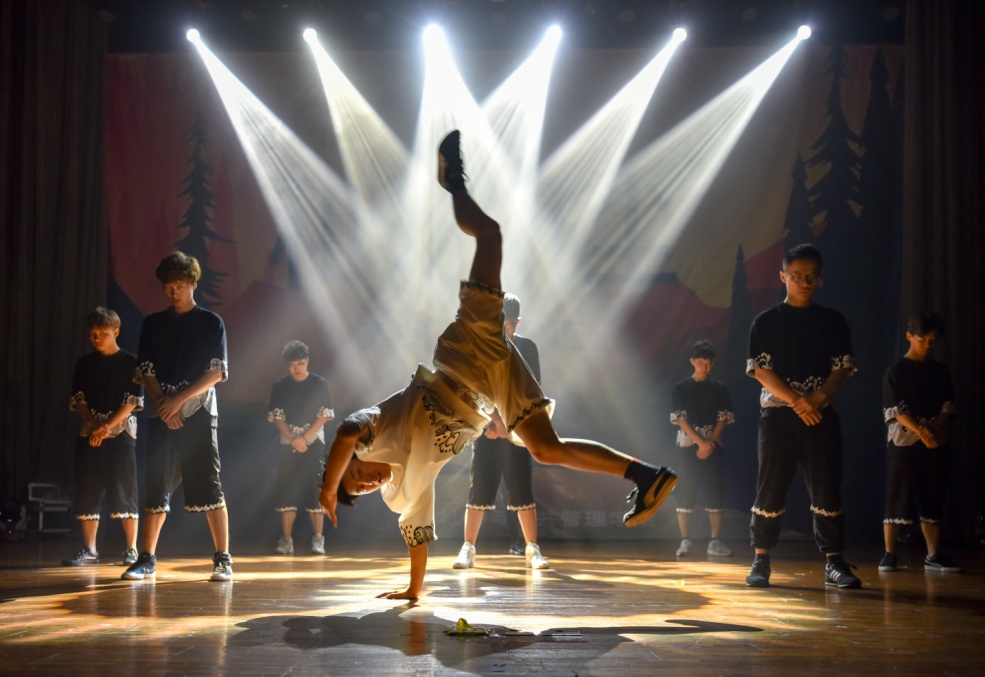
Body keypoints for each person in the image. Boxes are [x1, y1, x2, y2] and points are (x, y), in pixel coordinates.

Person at [319, 130, 677, 600]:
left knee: (490, 235)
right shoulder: (401, 494)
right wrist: (413, 591)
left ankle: (454, 182)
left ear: (352, 461)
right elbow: (417, 536)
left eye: (355, 474)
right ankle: (646, 475)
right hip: (490, 393)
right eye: (362, 490)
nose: (367, 482)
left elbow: (345, 430)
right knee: (545, 449)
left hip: (467, 353)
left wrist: (328, 488)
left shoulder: (373, 432)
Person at [745, 244, 860, 589]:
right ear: (783, 277)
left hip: (821, 414)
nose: (804, 282)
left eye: (810, 277)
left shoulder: (832, 321)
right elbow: (761, 371)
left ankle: (834, 561)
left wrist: (818, 398)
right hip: (779, 416)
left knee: (827, 486)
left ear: (819, 278)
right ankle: (761, 559)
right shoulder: (766, 322)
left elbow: (843, 367)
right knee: (770, 486)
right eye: (797, 276)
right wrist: (798, 401)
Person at [121, 251, 233, 582]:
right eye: (168, 285)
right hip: (162, 412)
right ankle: (146, 558)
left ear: (193, 284)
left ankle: (223, 559)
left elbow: (216, 372)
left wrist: (178, 401)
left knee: (209, 483)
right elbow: (146, 369)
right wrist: (162, 403)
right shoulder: (153, 323)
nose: (174, 291)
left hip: (198, 411)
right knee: (156, 483)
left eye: (180, 284)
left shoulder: (210, 322)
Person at [452, 293, 549, 570]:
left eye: (505, 325)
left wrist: (509, 427)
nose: (500, 331)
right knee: (479, 487)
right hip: (488, 428)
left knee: (521, 487)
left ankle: (532, 549)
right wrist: (494, 424)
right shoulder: (480, 349)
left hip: (517, 429)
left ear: (517, 323)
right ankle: (468, 548)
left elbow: (533, 392)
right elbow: (475, 392)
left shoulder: (527, 348)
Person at [878, 312, 959, 573]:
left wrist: (934, 429)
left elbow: (948, 406)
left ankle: (933, 554)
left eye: (932, 340)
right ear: (910, 337)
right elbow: (896, 410)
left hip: (934, 442)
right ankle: (889, 553)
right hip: (904, 442)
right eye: (923, 339)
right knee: (897, 494)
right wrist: (922, 431)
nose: (927, 344)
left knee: (933, 495)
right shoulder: (896, 372)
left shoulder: (940, 372)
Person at [63, 307, 143, 566]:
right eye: (92, 334)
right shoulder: (84, 363)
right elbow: (79, 398)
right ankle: (89, 549)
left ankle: (131, 548)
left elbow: (132, 400)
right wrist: (92, 423)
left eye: (102, 333)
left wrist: (107, 426)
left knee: (125, 486)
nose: (96, 338)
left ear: (115, 332)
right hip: (92, 431)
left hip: (120, 431)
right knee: (89, 486)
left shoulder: (131, 362)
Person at [268, 340, 334, 556]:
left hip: (313, 442)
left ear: (307, 361)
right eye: (292, 365)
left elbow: (324, 415)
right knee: (287, 489)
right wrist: (292, 438)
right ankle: (286, 540)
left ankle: (318, 539)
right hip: (288, 443)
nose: (296, 369)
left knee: (316, 488)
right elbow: (277, 416)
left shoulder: (319, 384)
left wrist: (304, 438)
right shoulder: (280, 385)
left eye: (300, 364)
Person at [670, 339, 734, 558]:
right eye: (700, 363)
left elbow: (723, 418)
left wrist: (709, 444)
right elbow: (681, 419)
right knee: (686, 489)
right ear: (692, 361)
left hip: (713, 445)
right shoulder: (681, 388)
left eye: (707, 364)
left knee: (715, 488)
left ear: (712, 363)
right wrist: (700, 442)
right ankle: (685, 540)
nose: (704, 367)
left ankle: (715, 541)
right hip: (688, 445)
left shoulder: (719, 389)